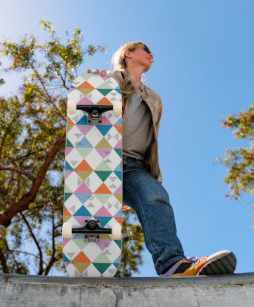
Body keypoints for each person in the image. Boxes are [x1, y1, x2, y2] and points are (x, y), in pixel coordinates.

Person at [87, 41, 237, 277]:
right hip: (105, 160)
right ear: (128, 53)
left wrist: (146, 181)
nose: (150, 54)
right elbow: (88, 110)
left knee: (155, 196)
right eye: (145, 49)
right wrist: (94, 85)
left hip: (136, 166)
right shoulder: (108, 81)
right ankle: (90, 265)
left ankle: (172, 265)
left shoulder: (154, 99)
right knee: (97, 218)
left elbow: (150, 141)